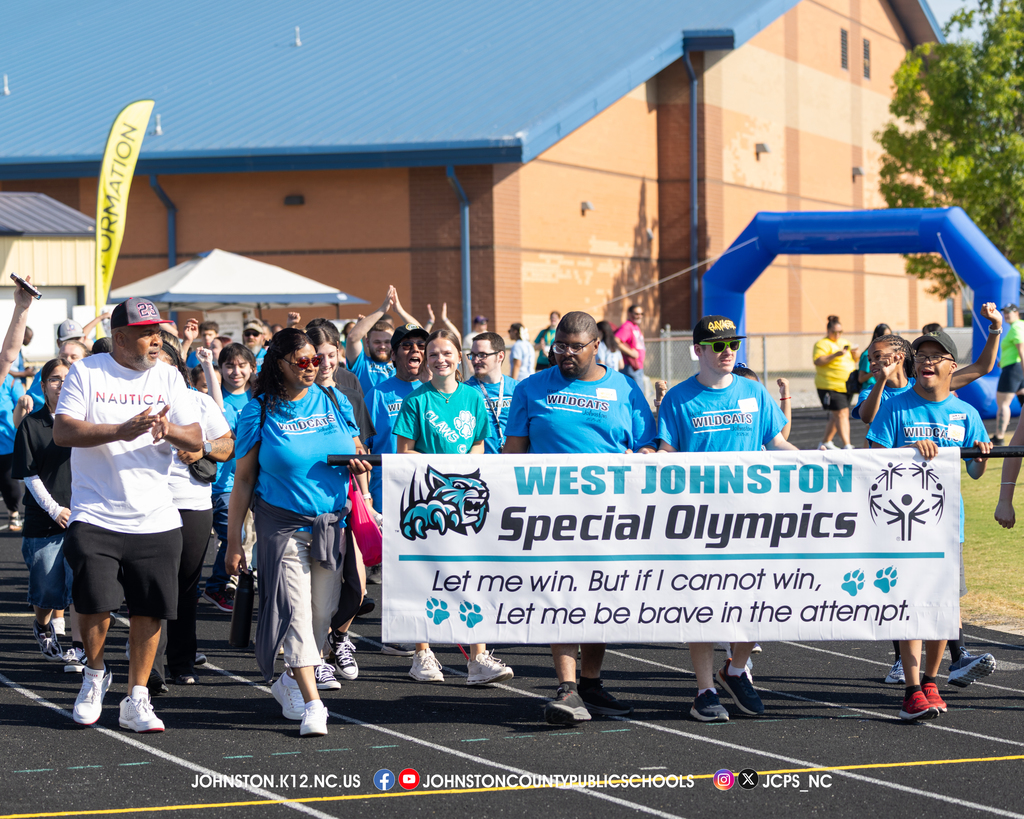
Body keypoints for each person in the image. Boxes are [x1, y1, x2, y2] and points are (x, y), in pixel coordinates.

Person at [53, 297, 202, 732]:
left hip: (156, 516)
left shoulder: (170, 375)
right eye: (146, 332)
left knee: (149, 611)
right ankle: (95, 676)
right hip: (95, 513)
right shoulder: (87, 371)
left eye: (159, 332)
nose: (157, 340)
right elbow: (64, 431)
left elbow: (194, 438)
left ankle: (137, 698)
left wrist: (166, 429)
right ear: (120, 338)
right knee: (94, 606)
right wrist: (121, 430)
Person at [504, 312, 656, 724]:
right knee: (562, 596)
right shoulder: (531, 387)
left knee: (599, 600)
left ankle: (590, 683)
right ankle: (567, 688)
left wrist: (642, 457)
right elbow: (513, 453)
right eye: (560, 346)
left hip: (610, 517)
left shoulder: (625, 387)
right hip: (551, 517)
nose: (566, 354)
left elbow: (646, 447)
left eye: (575, 347)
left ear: (595, 347)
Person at [226, 328, 369, 737]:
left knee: (323, 613)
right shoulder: (259, 411)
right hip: (281, 526)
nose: (315, 367)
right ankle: (313, 703)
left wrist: (359, 465)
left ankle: (290, 678)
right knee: (296, 614)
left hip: (331, 523)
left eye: (318, 360)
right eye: (304, 361)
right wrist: (234, 540)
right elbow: (243, 480)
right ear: (280, 364)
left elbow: (355, 448)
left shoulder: (334, 399)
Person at [657, 315, 797, 722]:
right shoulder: (679, 398)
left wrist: (826, 462)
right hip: (699, 521)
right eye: (718, 346)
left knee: (756, 602)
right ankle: (703, 691)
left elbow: (778, 443)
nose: (727, 351)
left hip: (753, 518)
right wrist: (645, 462)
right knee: (702, 604)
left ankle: (735, 669)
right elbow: (666, 454)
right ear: (697, 351)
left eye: (733, 344)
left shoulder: (754, 392)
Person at [867, 329, 993, 720]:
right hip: (902, 529)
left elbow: (973, 472)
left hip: (946, 528)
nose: (926, 361)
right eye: (921, 355)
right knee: (910, 608)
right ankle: (910, 688)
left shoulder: (966, 414)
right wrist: (908, 452)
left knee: (941, 608)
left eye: (936, 356)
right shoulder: (895, 406)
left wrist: (983, 456)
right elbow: (872, 460)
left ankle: (932, 681)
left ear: (951, 367)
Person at [393, 329, 514, 686]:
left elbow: (478, 445)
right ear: (426, 360)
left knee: (470, 576)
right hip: (425, 498)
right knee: (424, 577)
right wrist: (444, 467)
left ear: (457, 356)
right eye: (433, 354)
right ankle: (422, 654)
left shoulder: (472, 398)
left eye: (446, 353)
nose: (440, 359)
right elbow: (404, 451)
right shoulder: (416, 401)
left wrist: (462, 474)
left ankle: (478, 658)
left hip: (465, 499)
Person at [154, 341, 232, 687]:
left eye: (168, 364)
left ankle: (182, 661)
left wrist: (202, 448)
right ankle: (150, 669)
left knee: (186, 588)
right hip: (148, 505)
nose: (162, 370)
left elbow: (228, 446)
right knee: (153, 587)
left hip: (193, 505)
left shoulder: (199, 401)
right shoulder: (137, 403)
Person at [306, 321, 375, 683]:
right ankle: (313, 654)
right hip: (308, 501)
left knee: (355, 587)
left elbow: (359, 448)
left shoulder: (349, 392)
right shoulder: (293, 397)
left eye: (331, 355)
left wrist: (366, 496)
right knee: (316, 586)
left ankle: (339, 637)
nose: (325, 362)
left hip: (345, 500)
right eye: (318, 356)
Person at [13, 357, 81, 670]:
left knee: (80, 586)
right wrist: (55, 509)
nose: (62, 384)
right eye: (54, 379)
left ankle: (80, 648)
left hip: (84, 517)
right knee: (47, 590)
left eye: (67, 378)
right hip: (45, 522)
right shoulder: (32, 425)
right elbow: (29, 474)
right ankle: (42, 625)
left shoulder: (85, 420)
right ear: (43, 386)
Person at [201, 343, 258, 613]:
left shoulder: (259, 399)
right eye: (229, 366)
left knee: (237, 535)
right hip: (213, 481)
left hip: (240, 483)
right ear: (221, 370)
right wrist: (206, 365)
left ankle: (216, 585)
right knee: (199, 541)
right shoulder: (213, 397)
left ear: (252, 368)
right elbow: (216, 405)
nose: (236, 371)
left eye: (241, 365)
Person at [345, 286, 408, 394]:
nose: (382, 346)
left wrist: (399, 310)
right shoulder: (361, 364)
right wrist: (382, 309)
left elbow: (423, 335)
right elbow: (352, 338)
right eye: (377, 342)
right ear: (368, 342)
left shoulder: (402, 362)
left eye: (387, 342)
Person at [465, 333, 517, 454]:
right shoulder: (465, 390)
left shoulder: (517, 389)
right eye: (473, 355)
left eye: (482, 355)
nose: (476, 360)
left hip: (511, 462)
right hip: (480, 465)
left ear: (500, 356)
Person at [812, 315, 859, 449]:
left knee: (836, 414)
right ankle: (847, 445)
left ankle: (826, 441)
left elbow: (854, 360)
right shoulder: (822, 344)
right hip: (830, 385)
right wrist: (835, 355)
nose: (837, 335)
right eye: (834, 332)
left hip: (846, 385)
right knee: (841, 413)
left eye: (840, 332)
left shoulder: (845, 342)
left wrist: (856, 354)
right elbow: (818, 361)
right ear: (828, 331)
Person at [994, 304, 1024, 445]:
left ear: (1016, 312)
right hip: (1015, 368)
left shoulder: (1017, 327)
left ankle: (999, 437)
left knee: (1003, 403)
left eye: (1009, 312)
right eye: (1004, 312)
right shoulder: (1018, 326)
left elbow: (1021, 350)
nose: (1006, 315)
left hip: (1013, 370)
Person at [0, 367, 26, 532]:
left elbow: (22, 403)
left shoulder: (10, 382)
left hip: (6, 442)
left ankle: (13, 512)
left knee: (8, 482)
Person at [855, 323, 891, 398]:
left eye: (890, 335)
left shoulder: (888, 354)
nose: (888, 338)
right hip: (870, 391)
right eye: (885, 335)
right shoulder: (867, 355)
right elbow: (861, 378)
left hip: (883, 389)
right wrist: (876, 370)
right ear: (877, 335)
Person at [614, 304, 646, 384]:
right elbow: (615, 341)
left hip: (637, 366)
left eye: (641, 314)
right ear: (629, 313)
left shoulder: (634, 326)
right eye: (636, 314)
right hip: (630, 366)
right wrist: (630, 352)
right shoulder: (627, 326)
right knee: (637, 394)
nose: (639, 316)